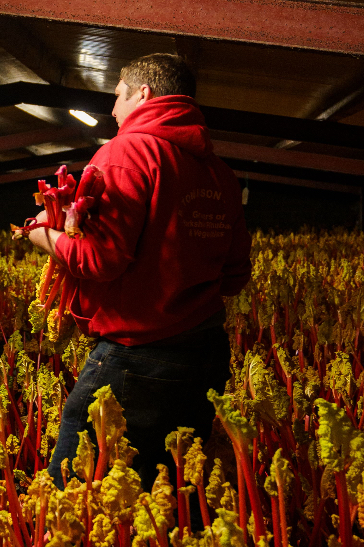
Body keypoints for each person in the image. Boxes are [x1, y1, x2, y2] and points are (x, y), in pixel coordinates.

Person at [26, 53, 252, 492]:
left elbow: (99, 261)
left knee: (76, 488)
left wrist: (41, 234)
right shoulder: (220, 172)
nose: (113, 110)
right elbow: (235, 275)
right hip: (206, 353)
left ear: (142, 93)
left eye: (117, 97)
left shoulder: (127, 152)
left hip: (140, 355)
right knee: (164, 489)